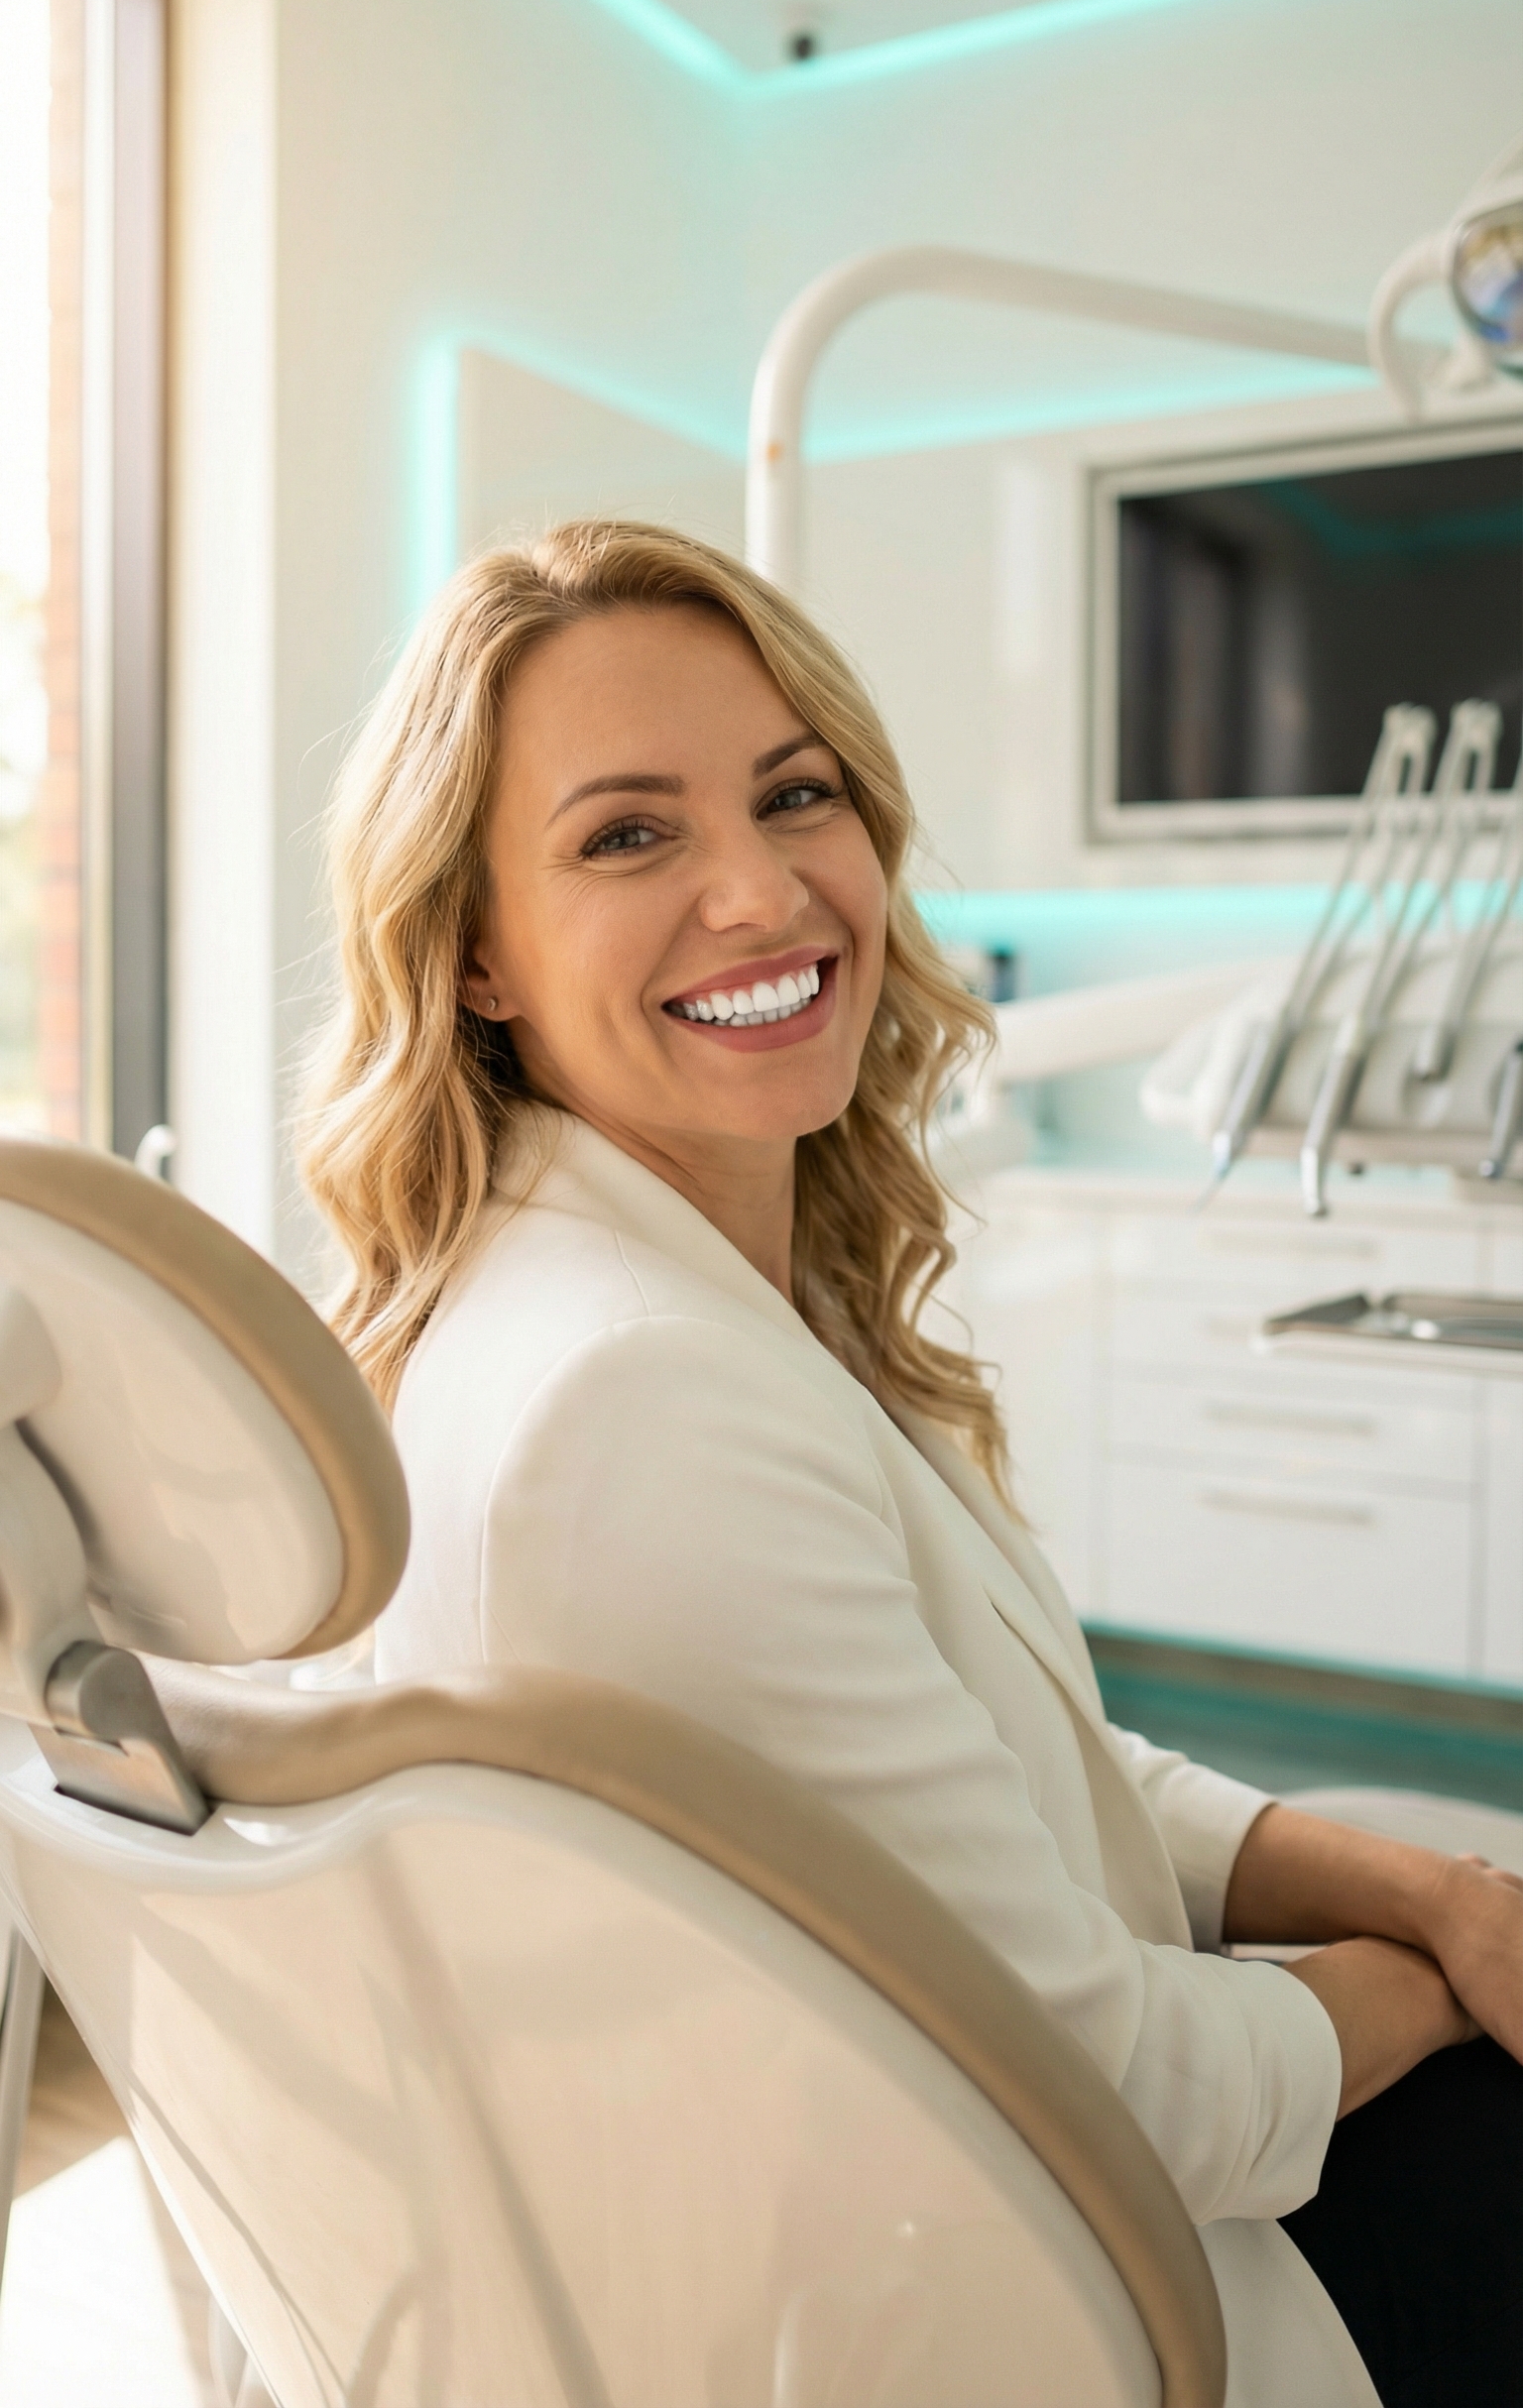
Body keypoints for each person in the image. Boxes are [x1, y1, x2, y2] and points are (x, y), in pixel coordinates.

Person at [300, 520, 1523, 2408]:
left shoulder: (635, 1292)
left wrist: (1423, 1885)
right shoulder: (641, 1399)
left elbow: (979, 1761)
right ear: (473, 953)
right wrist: (1440, 1992)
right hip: (1009, 2308)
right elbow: (1121, 2089)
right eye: (628, 835)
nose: (758, 890)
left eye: (798, 796)